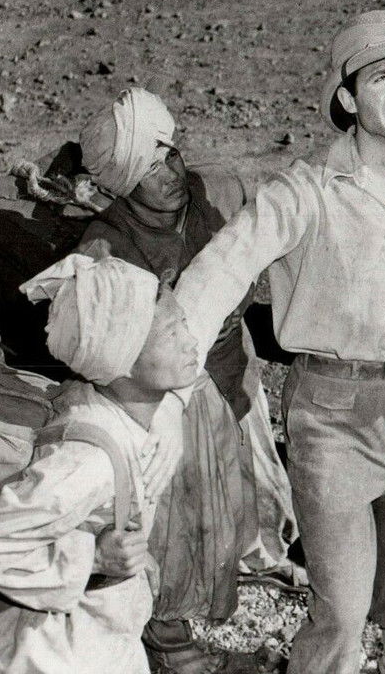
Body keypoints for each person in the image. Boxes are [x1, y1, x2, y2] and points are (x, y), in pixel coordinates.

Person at [172, 10, 385, 674]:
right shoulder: (306, 189)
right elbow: (225, 265)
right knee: (343, 602)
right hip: (332, 408)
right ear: (348, 97)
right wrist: (170, 360)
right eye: (380, 76)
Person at [76, 87, 302, 673]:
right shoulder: (108, 247)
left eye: (170, 155)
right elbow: (109, 351)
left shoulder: (212, 192)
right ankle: (168, 636)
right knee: (175, 519)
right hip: (167, 401)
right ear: (121, 185)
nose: (168, 175)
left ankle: (243, 562)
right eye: (147, 169)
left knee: (251, 501)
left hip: (233, 370)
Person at [0, 253, 200, 673]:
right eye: (172, 332)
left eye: (184, 324)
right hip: (44, 656)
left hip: (100, 640)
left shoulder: (119, 407)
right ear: (122, 363)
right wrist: (95, 560)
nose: (191, 341)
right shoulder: (89, 461)